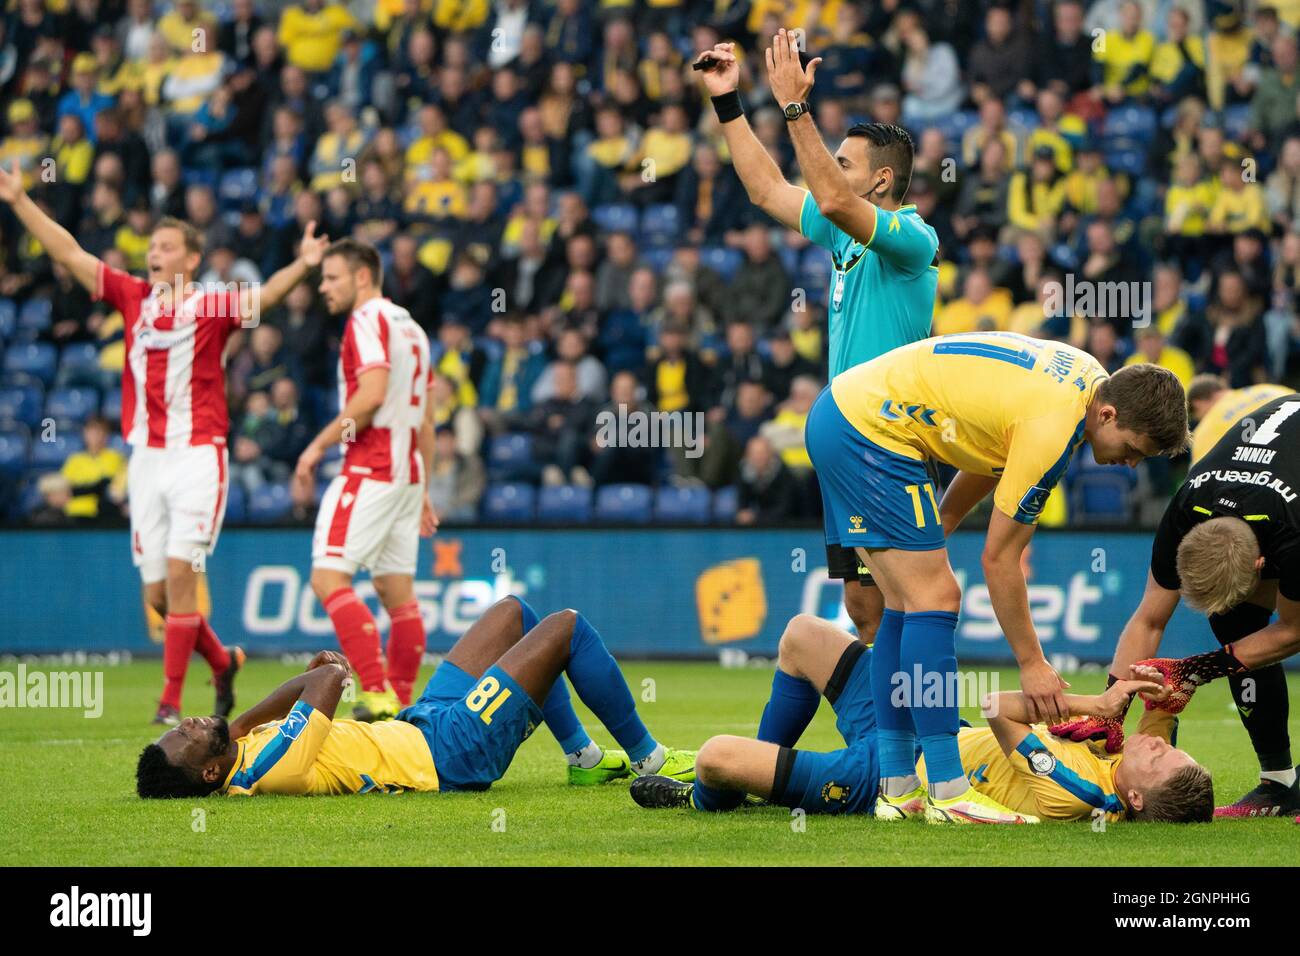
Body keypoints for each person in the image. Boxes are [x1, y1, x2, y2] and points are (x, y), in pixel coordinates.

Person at [804, 331, 1188, 822]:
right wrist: (1032, 662)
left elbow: (993, 450)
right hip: (870, 434)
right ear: (1108, 416)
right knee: (936, 597)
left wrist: (938, 525)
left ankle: (898, 788)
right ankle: (946, 791)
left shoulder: (1088, 381)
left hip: (844, 415)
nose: (1131, 465)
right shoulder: (1055, 427)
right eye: (1134, 449)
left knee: (903, 602)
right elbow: (1000, 559)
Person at [0, 158, 326, 725]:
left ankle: (169, 703)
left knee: (181, 577)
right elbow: (70, 253)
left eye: (168, 246)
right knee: (158, 596)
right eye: (153, 245)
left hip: (199, 456)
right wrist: (20, 201)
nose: (155, 253)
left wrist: (305, 262)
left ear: (193, 259)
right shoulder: (133, 298)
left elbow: (268, 297)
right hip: (146, 460)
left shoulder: (212, 304)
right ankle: (223, 665)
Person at [694, 30, 938, 646]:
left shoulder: (914, 242)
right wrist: (729, 102)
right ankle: (885, 730)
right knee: (862, 606)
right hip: (843, 439)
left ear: (882, 181)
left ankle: (923, 733)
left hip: (889, 439)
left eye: (846, 161)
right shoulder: (845, 237)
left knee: (906, 599)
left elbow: (829, 197)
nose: (833, 167)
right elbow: (767, 189)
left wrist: (796, 107)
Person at [630, 614, 1212, 824]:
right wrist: (1165, 688)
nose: (1155, 746)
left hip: (890, 778)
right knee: (802, 636)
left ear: (1135, 799)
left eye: (1160, 759)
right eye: (1167, 749)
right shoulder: (1117, 762)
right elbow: (1158, 715)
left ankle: (704, 800)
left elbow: (999, 708)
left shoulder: (1078, 794)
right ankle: (746, 792)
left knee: (713, 757)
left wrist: (1093, 703)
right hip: (931, 728)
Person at [136, 596, 696, 797]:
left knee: (513, 614)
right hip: (448, 754)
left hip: (419, 724)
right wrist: (241, 722)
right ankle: (652, 759)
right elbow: (329, 680)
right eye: (186, 735)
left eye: (179, 725)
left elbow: (318, 681)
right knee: (565, 627)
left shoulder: (241, 754)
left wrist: (240, 724)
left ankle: (584, 759)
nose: (187, 721)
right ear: (209, 774)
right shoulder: (267, 769)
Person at [1053, 394, 1300, 817]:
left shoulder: (1292, 536)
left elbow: (1294, 630)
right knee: (1235, 621)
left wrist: (1196, 670)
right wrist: (1109, 708)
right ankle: (1280, 786)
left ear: (1263, 566)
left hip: (1285, 498)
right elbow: (1149, 618)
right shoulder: (1185, 511)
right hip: (1271, 482)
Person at [293, 239, 436, 722]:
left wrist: (316, 446)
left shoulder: (365, 320)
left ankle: (374, 693)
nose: (322, 286)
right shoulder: (412, 328)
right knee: (398, 593)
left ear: (360, 276)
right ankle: (399, 701)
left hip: (371, 466)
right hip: (408, 471)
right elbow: (428, 421)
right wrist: (424, 489)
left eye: (331, 277)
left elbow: (372, 393)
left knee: (328, 576)